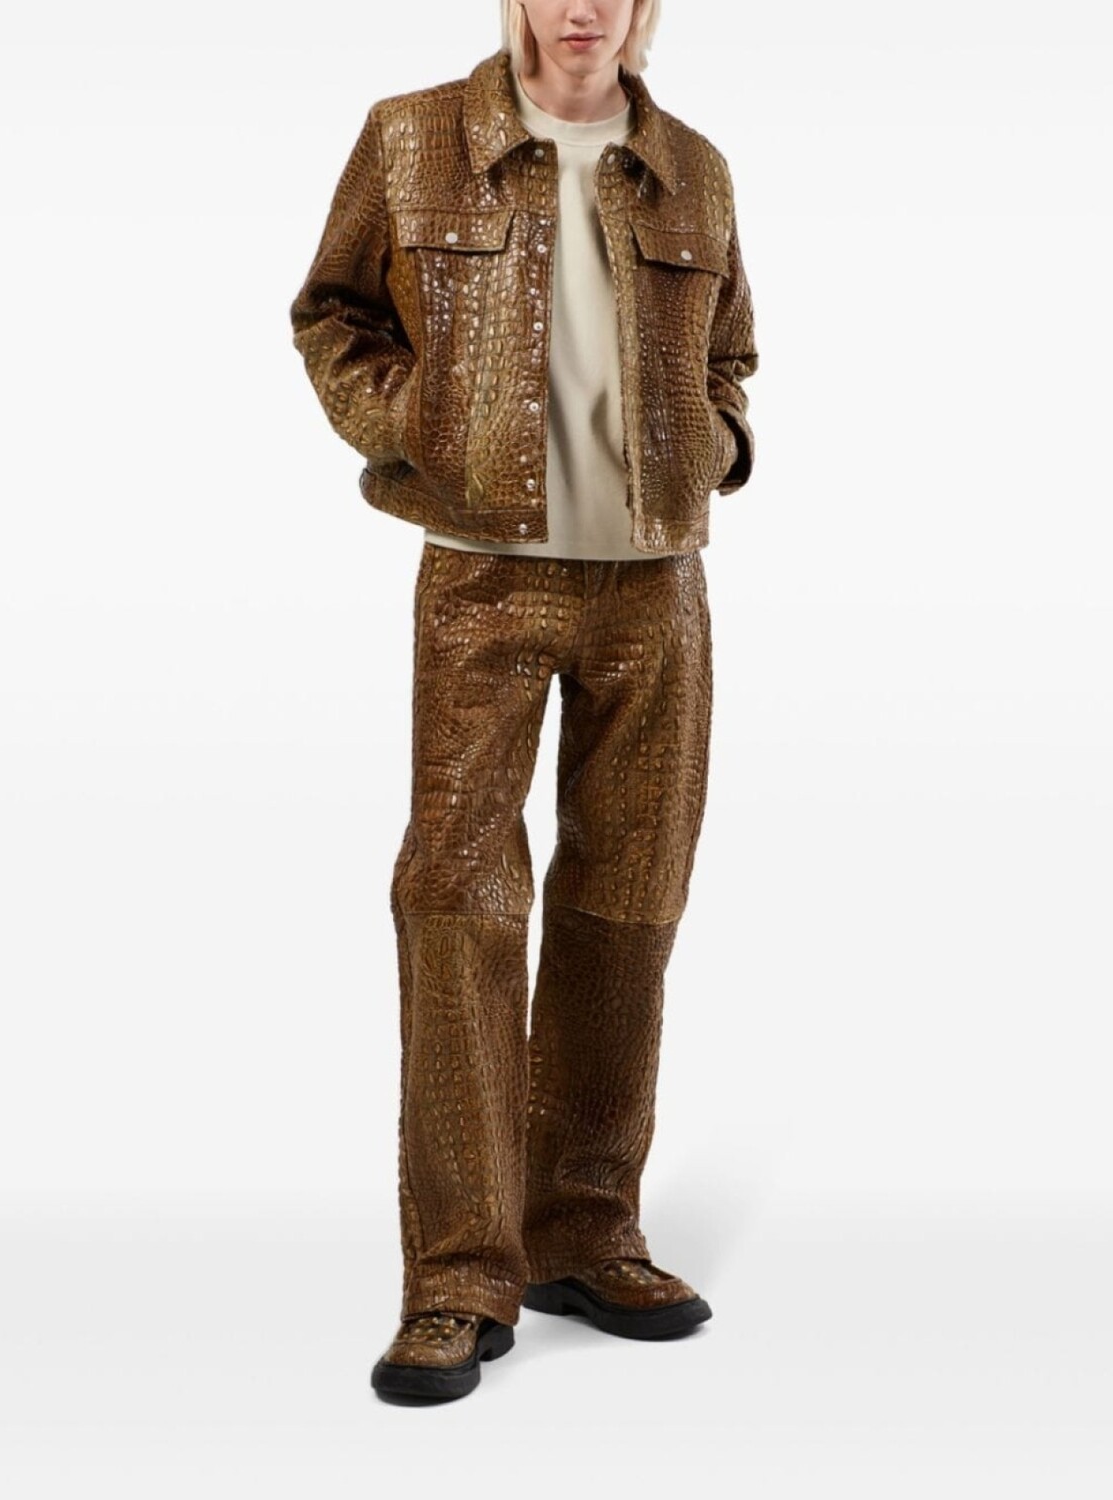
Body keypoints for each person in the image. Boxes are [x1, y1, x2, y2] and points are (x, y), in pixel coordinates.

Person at [289, 0, 758, 1403]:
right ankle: (455, 1277)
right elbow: (332, 313)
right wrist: (416, 423)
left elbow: (731, 350)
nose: (582, 7)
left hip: (656, 585)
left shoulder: (693, 166)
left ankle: (584, 1231)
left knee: (631, 893)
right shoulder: (412, 138)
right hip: (482, 575)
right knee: (458, 898)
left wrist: (718, 439)